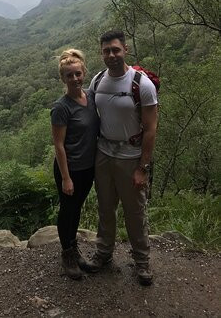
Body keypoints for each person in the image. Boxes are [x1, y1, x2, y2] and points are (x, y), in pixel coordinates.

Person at [87, 30, 158, 286]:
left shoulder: (142, 84)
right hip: (103, 155)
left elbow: (150, 129)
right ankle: (103, 254)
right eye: (106, 51)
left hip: (131, 158)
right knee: (105, 208)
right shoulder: (97, 81)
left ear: (125, 50)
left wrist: (143, 167)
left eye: (116, 49)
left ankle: (142, 263)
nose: (111, 55)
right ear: (101, 53)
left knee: (135, 212)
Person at [51, 49, 99, 280]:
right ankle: (67, 255)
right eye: (69, 76)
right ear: (63, 78)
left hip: (88, 167)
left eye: (78, 74)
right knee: (68, 210)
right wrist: (66, 178)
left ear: (84, 73)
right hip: (69, 169)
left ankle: (75, 251)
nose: (75, 79)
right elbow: (59, 145)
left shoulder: (91, 96)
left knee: (76, 209)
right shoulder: (61, 107)